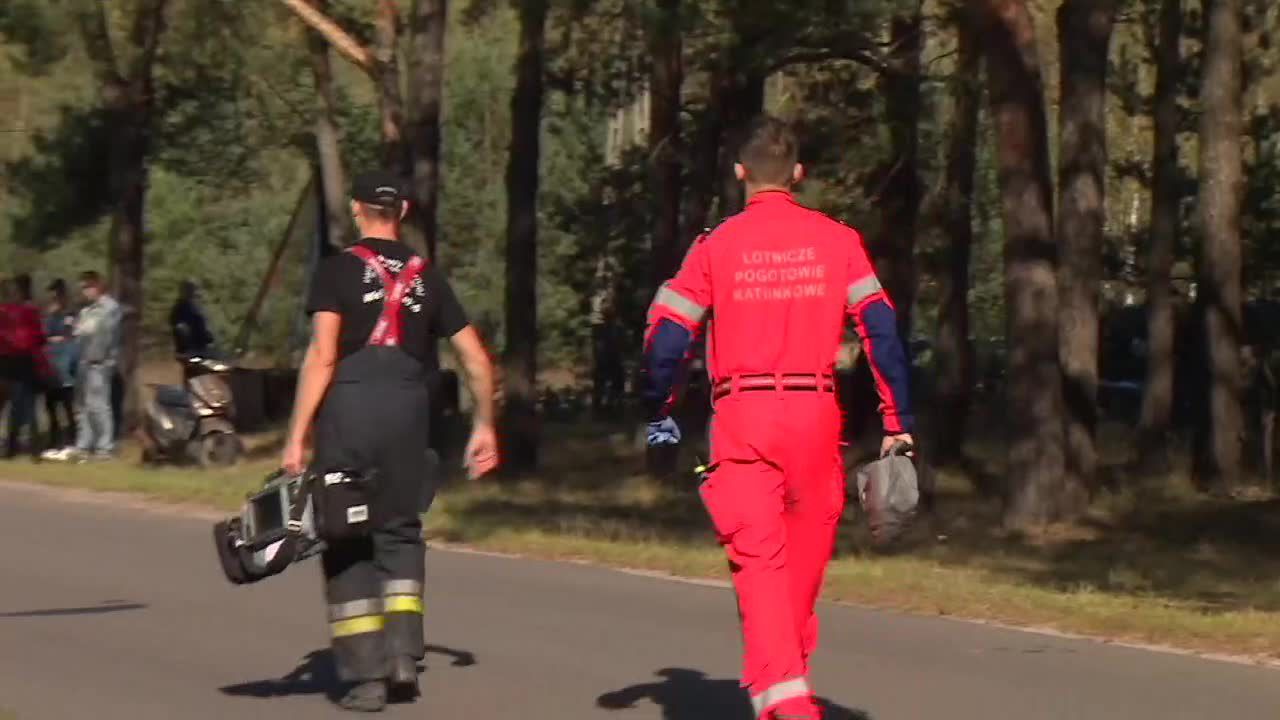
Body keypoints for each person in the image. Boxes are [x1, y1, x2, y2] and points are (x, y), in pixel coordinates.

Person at [641, 116, 914, 720]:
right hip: (818, 417)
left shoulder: (715, 246)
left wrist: (660, 414)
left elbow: (666, 339)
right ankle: (785, 686)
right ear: (798, 174)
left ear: (740, 172)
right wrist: (898, 419)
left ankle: (787, 704)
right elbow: (882, 329)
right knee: (798, 578)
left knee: (761, 567)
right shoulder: (839, 240)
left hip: (745, 417)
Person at [281, 169, 499, 712]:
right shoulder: (429, 277)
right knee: (401, 532)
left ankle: (366, 679)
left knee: (347, 536)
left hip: (350, 412)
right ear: (400, 212)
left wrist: (296, 436)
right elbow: (476, 359)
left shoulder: (335, 271)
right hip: (409, 415)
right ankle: (404, 656)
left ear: (358, 210)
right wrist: (485, 425)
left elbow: (323, 355)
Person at [45, 272, 121, 462]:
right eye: (82, 288)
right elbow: (77, 333)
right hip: (84, 363)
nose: (84, 292)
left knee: (99, 406)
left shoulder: (109, 308)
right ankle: (84, 445)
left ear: (96, 286)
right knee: (83, 407)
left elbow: (104, 334)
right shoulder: (86, 311)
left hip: (100, 363)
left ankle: (105, 448)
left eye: (86, 287)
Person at [0, 274, 48, 460]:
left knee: (16, 406)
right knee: (26, 406)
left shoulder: (6, 311)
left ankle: (12, 448)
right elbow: (40, 338)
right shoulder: (30, 311)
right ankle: (33, 450)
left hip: (9, 361)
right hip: (23, 361)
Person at [43, 279, 79, 450]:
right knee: (50, 406)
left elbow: (68, 336)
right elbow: (44, 336)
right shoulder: (50, 316)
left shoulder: (70, 314)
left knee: (67, 406)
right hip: (50, 366)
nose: (53, 298)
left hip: (64, 368)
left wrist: (56, 339)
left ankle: (72, 439)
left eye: (56, 294)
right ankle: (53, 439)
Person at [170, 280, 215, 359]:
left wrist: (209, 339)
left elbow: (203, 326)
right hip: (192, 349)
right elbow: (180, 328)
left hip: (201, 347)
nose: (193, 292)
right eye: (190, 289)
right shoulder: (180, 308)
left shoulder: (195, 306)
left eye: (193, 289)